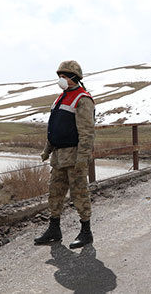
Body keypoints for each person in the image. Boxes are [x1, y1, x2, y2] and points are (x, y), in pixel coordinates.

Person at [36, 60, 95, 249]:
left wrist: (83, 158)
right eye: (59, 76)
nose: (61, 79)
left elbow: (87, 132)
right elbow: (55, 128)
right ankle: (54, 229)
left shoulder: (82, 99)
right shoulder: (60, 98)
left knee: (79, 194)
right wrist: (47, 150)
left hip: (75, 156)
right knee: (55, 193)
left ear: (74, 78)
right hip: (59, 157)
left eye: (64, 76)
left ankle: (86, 232)